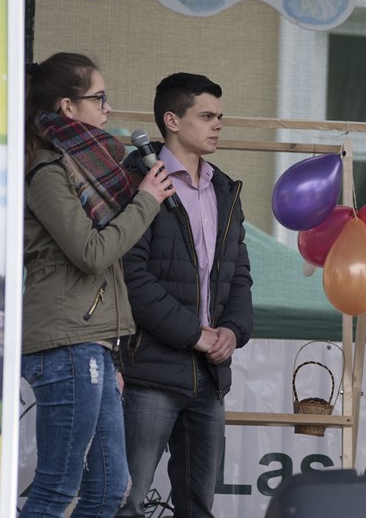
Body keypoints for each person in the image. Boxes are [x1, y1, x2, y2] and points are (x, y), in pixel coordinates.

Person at [22, 52, 175, 518]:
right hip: (67, 341)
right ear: (68, 107)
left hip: (94, 343)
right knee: (57, 487)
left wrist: (110, 356)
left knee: (110, 490)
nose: (108, 109)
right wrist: (146, 201)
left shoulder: (90, 169)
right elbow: (91, 253)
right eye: (100, 98)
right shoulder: (48, 171)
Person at [117, 73, 253, 518]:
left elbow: (239, 275)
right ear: (172, 121)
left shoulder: (224, 188)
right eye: (207, 116)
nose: (218, 125)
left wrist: (232, 330)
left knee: (198, 508)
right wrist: (196, 334)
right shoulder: (138, 182)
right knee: (125, 502)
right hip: (150, 371)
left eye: (220, 116)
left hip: (209, 377)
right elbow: (131, 276)